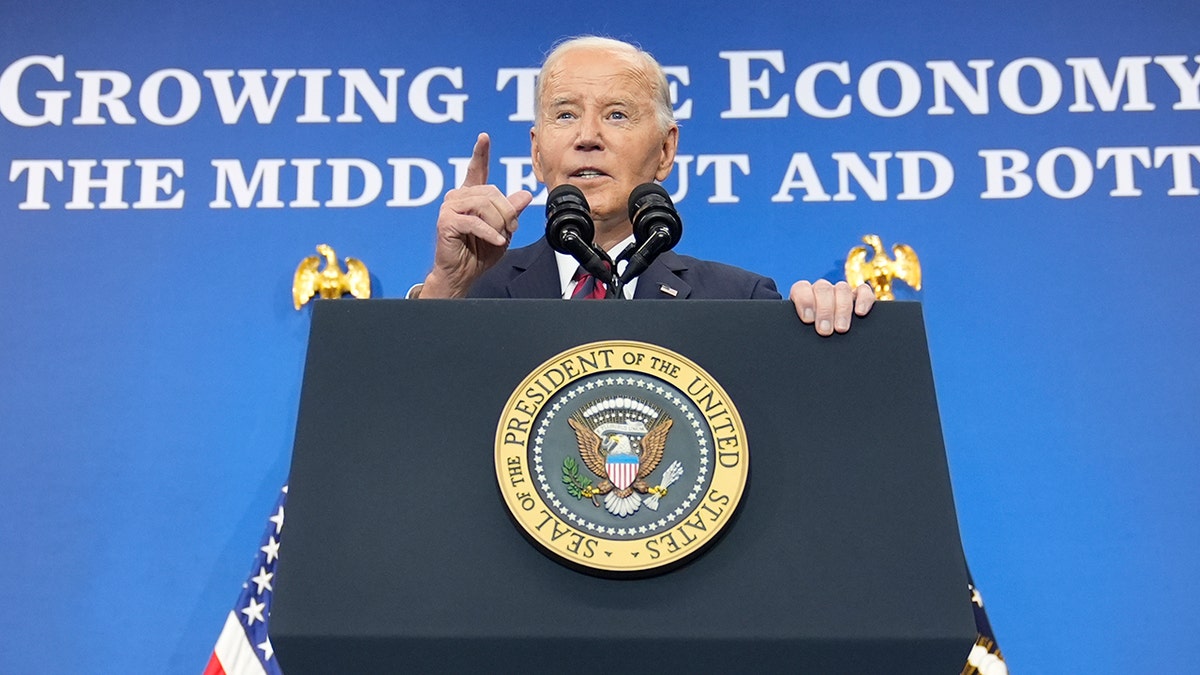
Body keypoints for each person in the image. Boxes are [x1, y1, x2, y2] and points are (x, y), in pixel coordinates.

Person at [413, 36, 874, 335]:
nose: (587, 137)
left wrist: (829, 333)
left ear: (665, 151)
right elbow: (396, 417)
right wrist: (446, 288)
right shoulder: (472, 294)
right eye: (566, 114)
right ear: (537, 151)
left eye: (617, 114)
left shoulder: (738, 304)